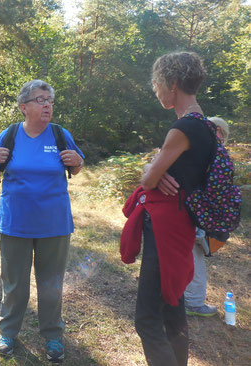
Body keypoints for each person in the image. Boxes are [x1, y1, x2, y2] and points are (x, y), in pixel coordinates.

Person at [0, 80, 84, 362]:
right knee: (14, 284)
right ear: (24, 107)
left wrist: (77, 161)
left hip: (54, 224)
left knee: (51, 283)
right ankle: (8, 333)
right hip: (15, 223)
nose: (47, 104)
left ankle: (52, 336)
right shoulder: (11, 134)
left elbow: (76, 165)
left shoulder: (61, 135)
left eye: (49, 99)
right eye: (40, 100)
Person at [120, 52, 213, 366]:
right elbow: (163, 176)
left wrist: (153, 174)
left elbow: (147, 179)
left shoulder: (183, 129)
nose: (156, 90)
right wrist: (157, 176)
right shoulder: (205, 125)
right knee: (172, 305)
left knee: (147, 318)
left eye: (157, 84)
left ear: (173, 85)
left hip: (165, 228)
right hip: (182, 225)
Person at [182, 116, 228, 317]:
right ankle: (191, 301)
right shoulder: (211, 154)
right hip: (194, 218)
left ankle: (188, 300)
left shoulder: (211, 154)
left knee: (191, 258)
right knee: (192, 258)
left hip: (197, 219)